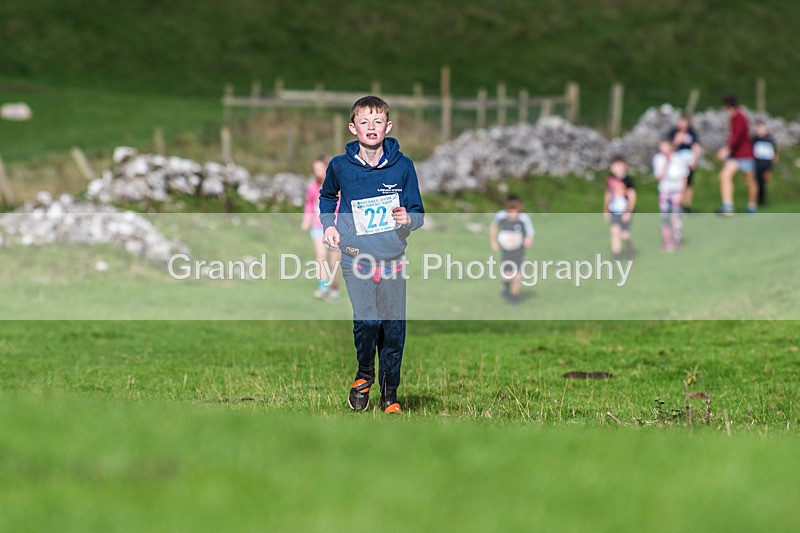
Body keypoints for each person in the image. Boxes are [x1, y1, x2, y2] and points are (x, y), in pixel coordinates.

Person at [319, 96, 424, 415]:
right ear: (353, 128)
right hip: (355, 259)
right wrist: (329, 225)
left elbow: (418, 212)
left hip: (392, 261)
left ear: (388, 126)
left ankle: (390, 395)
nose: (371, 128)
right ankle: (364, 374)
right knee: (368, 321)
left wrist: (409, 219)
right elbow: (326, 197)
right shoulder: (340, 166)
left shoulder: (404, 167)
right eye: (364, 122)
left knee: (393, 330)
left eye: (377, 121)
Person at [300, 155, 340, 301]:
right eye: (315, 169)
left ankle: (334, 286)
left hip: (337, 227)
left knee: (334, 261)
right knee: (321, 256)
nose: (317, 172)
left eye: (320, 169)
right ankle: (323, 286)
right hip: (318, 226)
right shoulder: (312, 187)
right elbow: (309, 204)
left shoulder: (339, 186)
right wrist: (306, 219)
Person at [490, 195, 534, 305]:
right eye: (511, 211)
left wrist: (528, 239)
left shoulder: (524, 218)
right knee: (507, 274)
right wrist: (494, 241)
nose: (513, 214)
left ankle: (515, 297)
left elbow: (530, 232)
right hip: (506, 250)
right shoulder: (501, 216)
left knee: (518, 275)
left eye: (516, 211)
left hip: (519, 250)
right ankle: (506, 285)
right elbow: (494, 227)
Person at [717, 94, 757, 215]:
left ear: (728, 106)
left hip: (745, 154)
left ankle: (752, 205)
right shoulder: (733, 118)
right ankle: (728, 205)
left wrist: (726, 149)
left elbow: (737, 137)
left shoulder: (740, 118)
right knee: (724, 175)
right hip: (735, 155)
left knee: (749, 180)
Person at [653, 139, 689, 251]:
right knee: (665, 216)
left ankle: (677, 240)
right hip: (664, 190)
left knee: (676, 216)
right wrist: (666, 163)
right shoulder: (658, 159)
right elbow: (658, 177)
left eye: (666, 147)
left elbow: (684, 176)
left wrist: (682, 192)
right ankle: (667, 241)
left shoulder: (678, 158)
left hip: (676, 190)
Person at [602, 155, 636, 259]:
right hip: (614, 210)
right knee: (614, 231)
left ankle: (630, 248)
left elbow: (632, 195)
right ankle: (617, 255)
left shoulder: (628, 180)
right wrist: (606, 209)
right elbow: (608, 194)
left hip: (624, 210)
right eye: (615, 166)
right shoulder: (610, 179)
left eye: (619, 166)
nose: (617, 169)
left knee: (624, 234)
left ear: (624, 167)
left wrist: (629, 211)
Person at [668, 113, 701, 213]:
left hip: (688, 161)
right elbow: (669, 148)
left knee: (688, 184)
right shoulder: (673, 133)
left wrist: (694, 160)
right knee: (679, 183)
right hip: (677, 161)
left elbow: (696, 148)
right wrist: (676, 141)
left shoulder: (692, 133)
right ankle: (677, 204)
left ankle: (686, 205)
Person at [752, 120, 778, 206]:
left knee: (762, 183)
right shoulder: (754, 139)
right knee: (755, 182)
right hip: (757, 163)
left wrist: (770, 168)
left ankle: (761, 200)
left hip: (766, 164)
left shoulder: (769, 139)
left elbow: (774, 153)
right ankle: (754, 199)